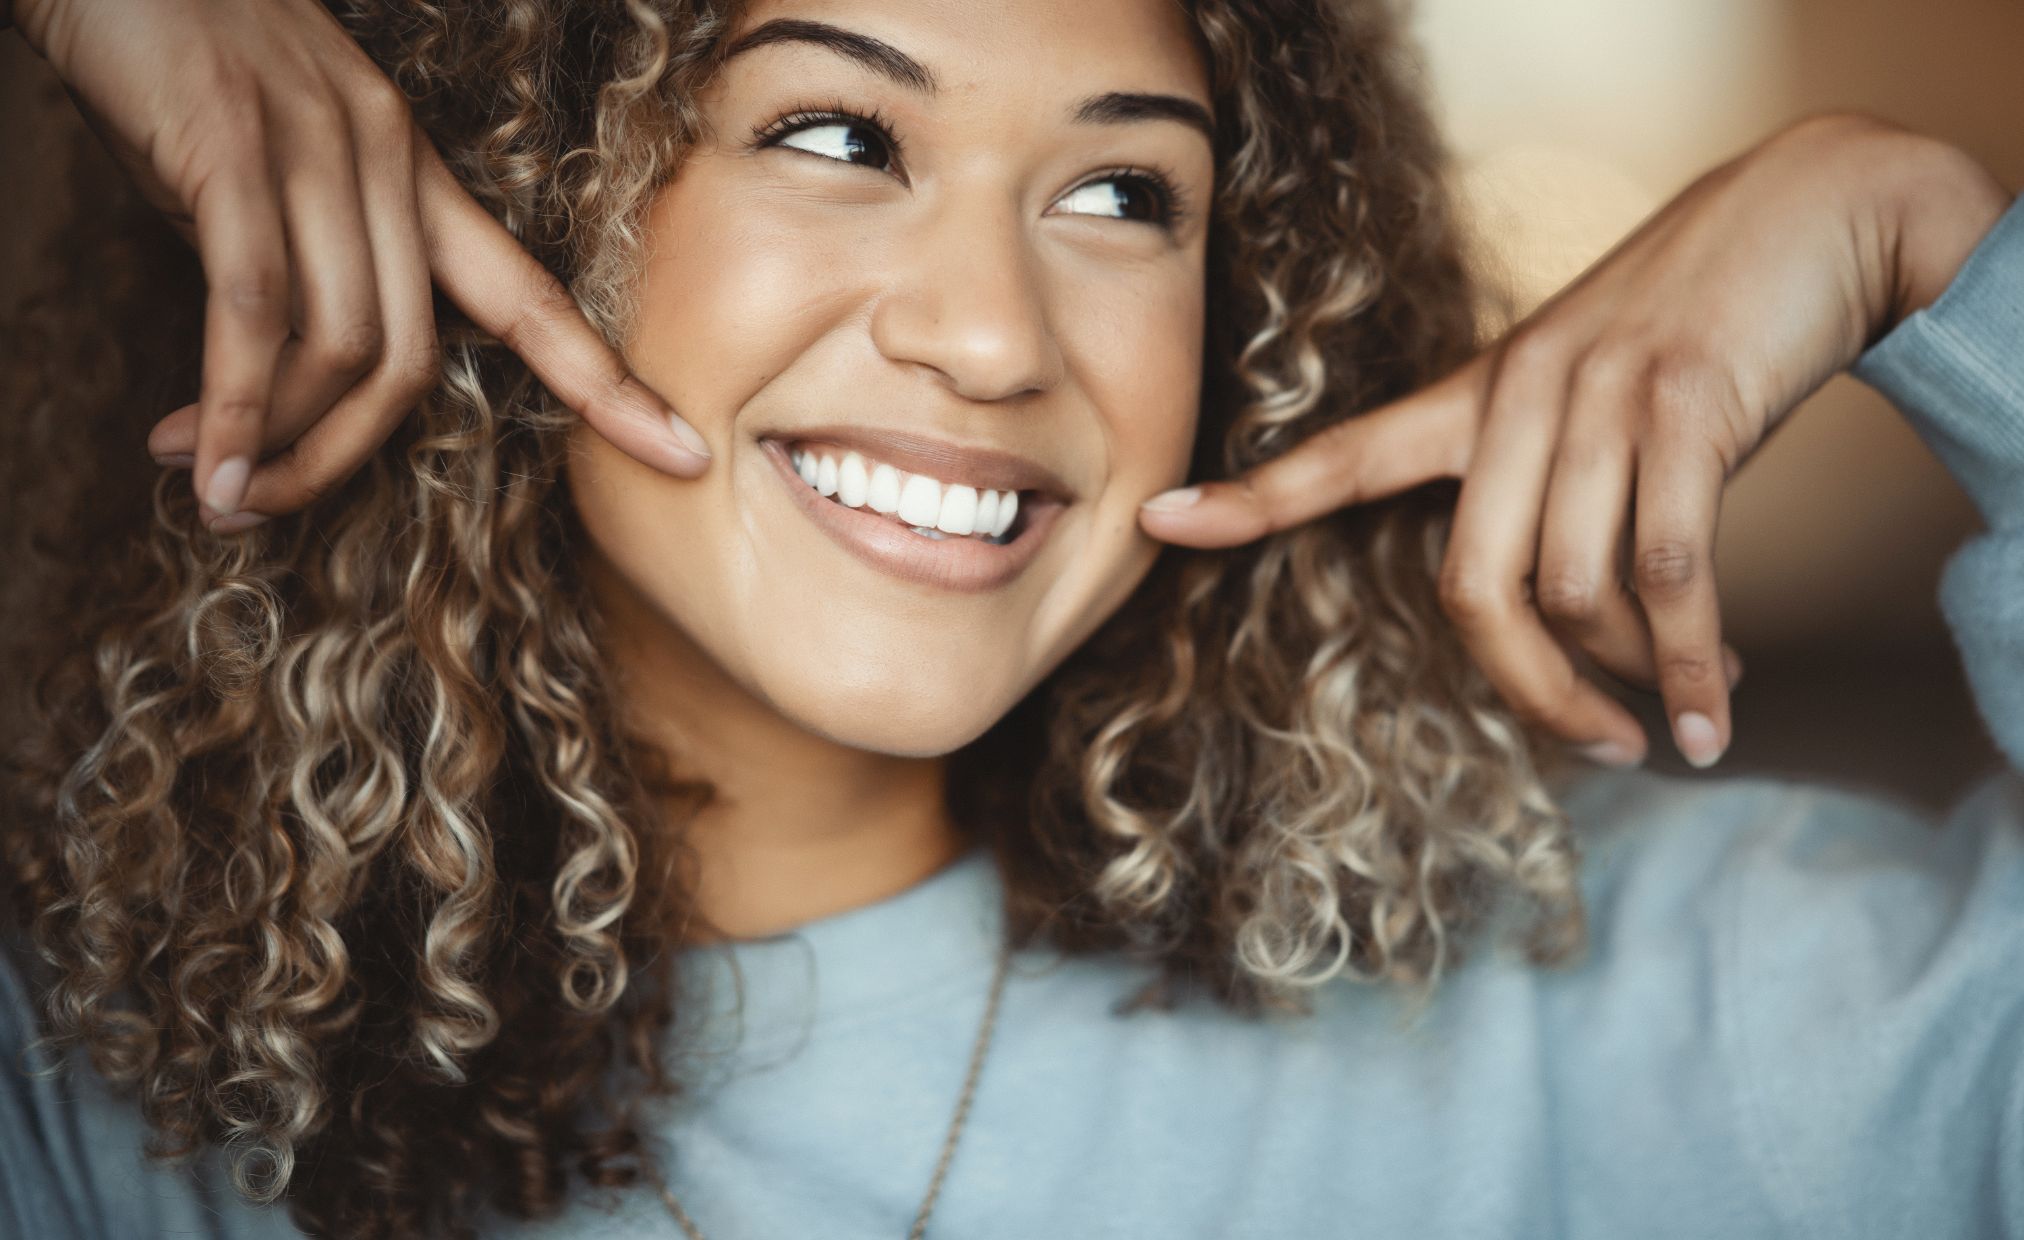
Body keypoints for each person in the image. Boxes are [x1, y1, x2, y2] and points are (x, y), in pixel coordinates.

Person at [1, 0, 2019, 1236]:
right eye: (835, 136)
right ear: (499, 199)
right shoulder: (97, 1087)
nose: (986, 336)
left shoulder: (1580, 994)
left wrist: (1913, 232)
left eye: (1124, 195)